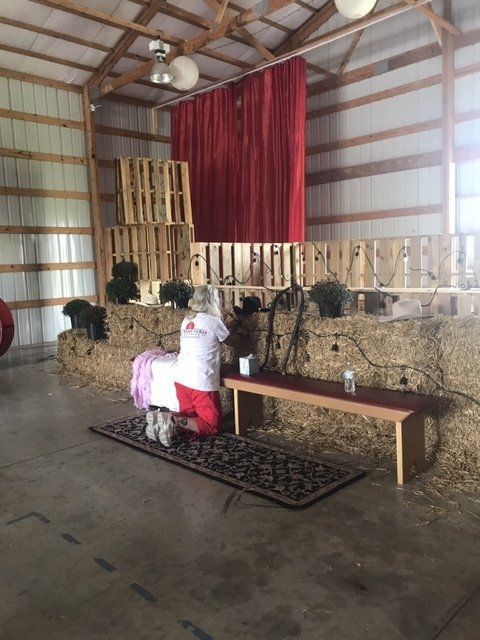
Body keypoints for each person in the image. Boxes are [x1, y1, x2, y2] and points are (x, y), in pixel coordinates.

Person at [146, 285, 238, 446]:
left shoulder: (187, 320)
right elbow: (231, 341)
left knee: (190, 416)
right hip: (201, 381)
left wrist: (227, 327)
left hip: (181, 378)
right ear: (213, 301)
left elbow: (209, 333)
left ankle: (162, 423)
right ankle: (172, 420)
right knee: (211, 426)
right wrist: (244, 333)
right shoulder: (214, 321)